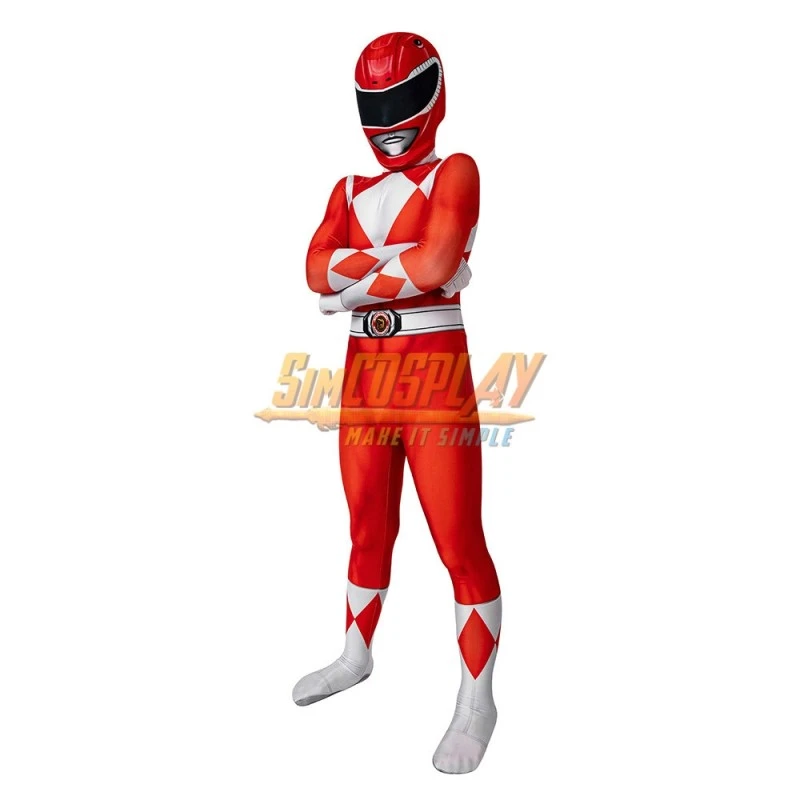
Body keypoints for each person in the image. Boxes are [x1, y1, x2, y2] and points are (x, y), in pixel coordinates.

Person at [293, 32, 502, 774]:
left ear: (435, 94)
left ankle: (477, 699)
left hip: (433, 373)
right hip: (364, 377)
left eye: (403, 99)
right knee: (364, 526)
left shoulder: (456, 170)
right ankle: (357, 654)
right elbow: (313, 271)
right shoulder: (346, 189)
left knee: (457, 539)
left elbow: (433, 259)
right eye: (374, 104)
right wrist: (404, 268)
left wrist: (351, 284)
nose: (389, 121)